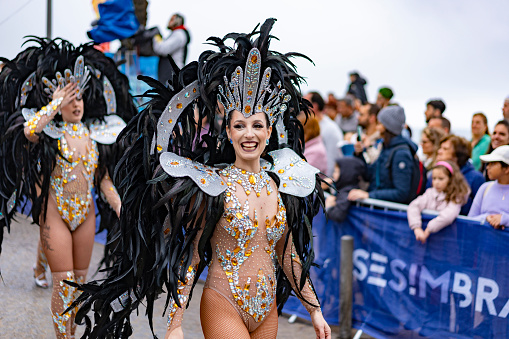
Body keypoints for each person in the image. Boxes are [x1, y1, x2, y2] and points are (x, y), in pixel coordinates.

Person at [72, 19, 331, 339]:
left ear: (268, 131)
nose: (248, 134)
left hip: (266, 311)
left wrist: (315, 311)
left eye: (256, 126)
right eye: (240, 126)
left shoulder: (281, 184)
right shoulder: (211, 184)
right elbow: (192, 258)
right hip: (224, 303)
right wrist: (176, 323)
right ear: (228, 131)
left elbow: (288, 254)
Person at [0, 38, 135, 338]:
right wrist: (55, 102)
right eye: (70, 100)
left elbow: (102, 179)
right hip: (55, 215)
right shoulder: (50, 132)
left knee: (81, 283)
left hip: (85, 216)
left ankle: (71, 333)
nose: (76, 105)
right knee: (63, 280)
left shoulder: (95, 134)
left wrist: (119, 205)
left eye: (80, 98)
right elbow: (28, 130)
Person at [348, 105, 417, 204]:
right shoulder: (386, 147)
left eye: (379, 124)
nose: (376, 127)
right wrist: (359, 154)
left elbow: (401, 193)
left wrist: (369, 195)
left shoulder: (401, 154)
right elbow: (370, 175)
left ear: (388, 127)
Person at [407, 160, 469, 243]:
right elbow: (414, 206)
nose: (436, 182)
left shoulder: (456, 197)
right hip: (427, 241)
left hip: (446, 241)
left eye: (441, 179)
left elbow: (448, 215)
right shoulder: (429, 193)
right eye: (434, 178)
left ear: (451, 179)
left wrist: (429, 229)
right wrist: (416, 228)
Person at [435, 135, 485, 215]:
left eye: (445, 149)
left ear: (457, 155)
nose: (439, 151)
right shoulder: (434, 175)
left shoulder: (475, 178)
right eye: (440, 148)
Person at [468, 145, 509, 230]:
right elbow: (470, 220)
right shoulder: (485, 187)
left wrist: (504, 219)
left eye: (493, 163)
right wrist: (487, 218)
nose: (487, 167)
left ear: (506, 169)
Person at [305, 91, 343, 176]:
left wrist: (327, 181)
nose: (300, 106)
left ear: (314, 106)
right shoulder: (310, 125)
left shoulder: (330, 129)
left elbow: (332, 157)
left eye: (305, 103)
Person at [153, 13, 191, 84]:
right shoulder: (177, 34)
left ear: (178, 21)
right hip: (171, 74)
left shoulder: (179, 34)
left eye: (172, 19)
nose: (169, 22)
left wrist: (156, 37)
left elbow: (163, 49)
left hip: (173, 75)